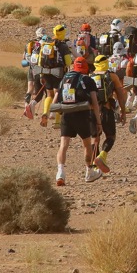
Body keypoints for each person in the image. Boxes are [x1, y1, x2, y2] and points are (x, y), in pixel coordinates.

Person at [49, 56, 103, 186]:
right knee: (86, 144)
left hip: (67, 115)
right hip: (82, 116)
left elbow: (55, 99)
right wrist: (99, 121)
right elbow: (95, 103)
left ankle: (60, 173)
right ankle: (89, 172)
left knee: (64, 144)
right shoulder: (88, 80)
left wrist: (50, 114)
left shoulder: (64, 79)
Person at [90, 54, 126, 174]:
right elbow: (120, 95)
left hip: (92, 111)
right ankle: (102, 156)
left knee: (95, 138)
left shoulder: (89, 76)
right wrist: (123, 111)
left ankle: (94, 167)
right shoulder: (112, 76)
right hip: (106, 109)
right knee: (111, 136)